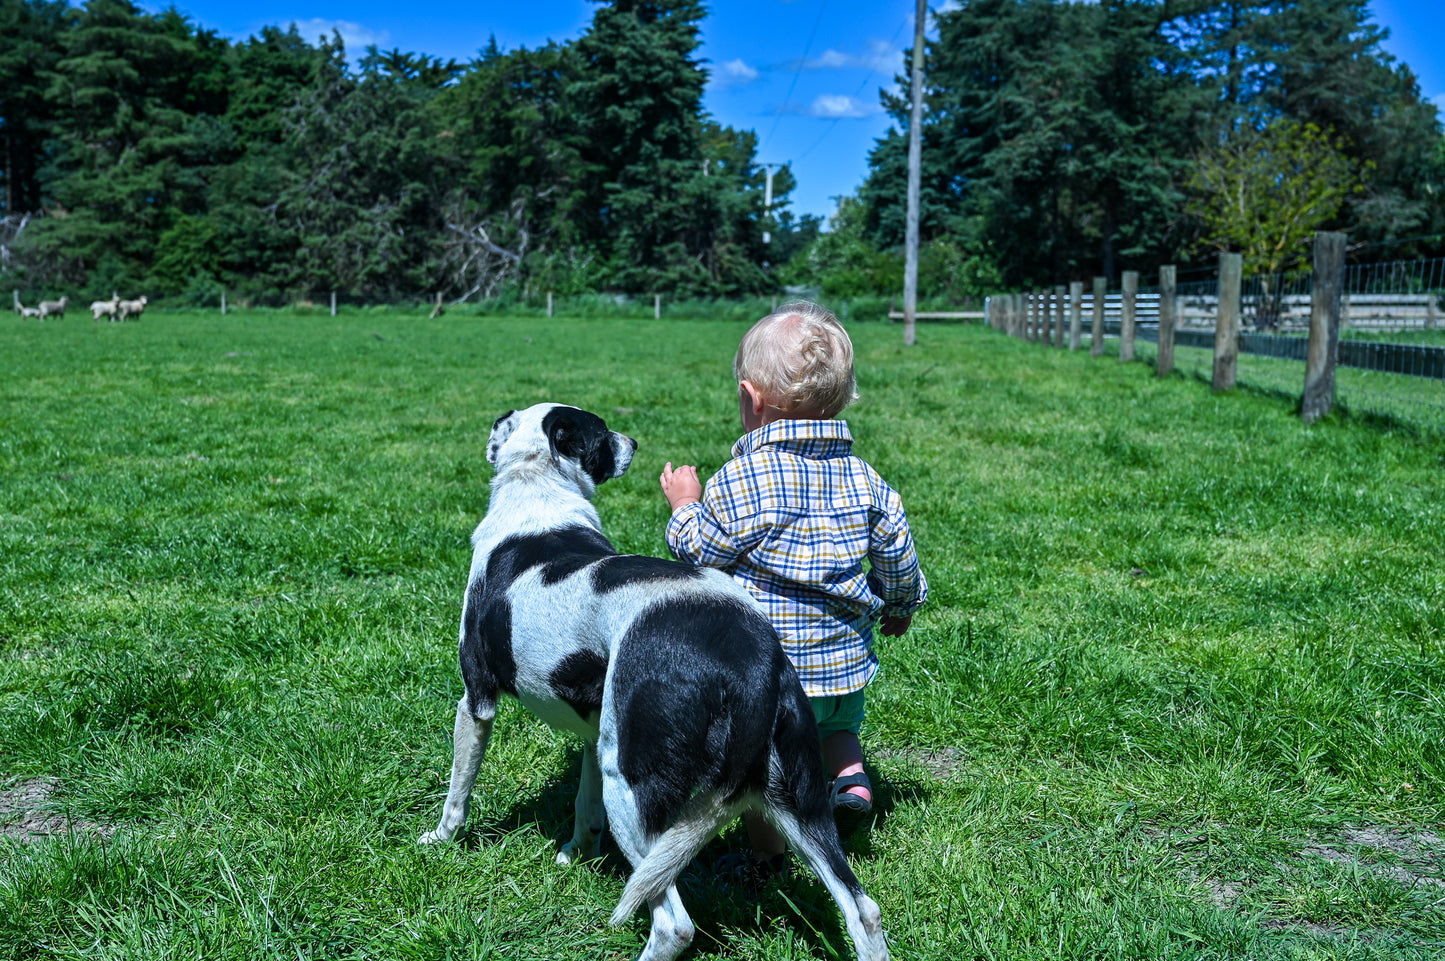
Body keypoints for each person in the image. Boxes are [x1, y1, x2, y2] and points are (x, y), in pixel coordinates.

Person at [659, 300, 928, 878]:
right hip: (845, 664)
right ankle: (851, 783)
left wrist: (685, 506)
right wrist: (901, 604)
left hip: (773, 675)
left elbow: (702, 552)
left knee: (763, 771)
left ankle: (767, 859)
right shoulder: (865, 480)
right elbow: (899, 556)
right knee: (836, 729)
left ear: (752, 400)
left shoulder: (743, 479)